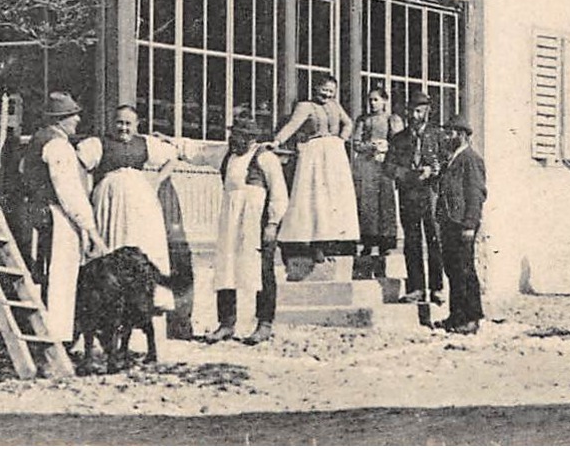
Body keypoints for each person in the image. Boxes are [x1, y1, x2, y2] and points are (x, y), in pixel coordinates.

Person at [175, 113, 290, 345]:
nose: (234, 140)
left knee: (261, 271)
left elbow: (279, 193)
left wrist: (272, 224)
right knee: (226, 268)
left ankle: (264, 323)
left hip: (256, 222)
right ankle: (226, 323)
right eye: (233, 134)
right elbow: (199, 153)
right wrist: (168, 143)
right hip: (230, 220)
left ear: (251, 138)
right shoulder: (226, 155)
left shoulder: (265, 158)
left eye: (239, 136)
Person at [14, 92, 106, 344]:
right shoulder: (57, 145)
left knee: (45, 276)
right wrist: (91, 231)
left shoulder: (38, 140)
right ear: (60, 119)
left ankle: (46, 337)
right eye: (72, 115)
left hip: (37, 213)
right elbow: (70, 193)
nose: (77, 120)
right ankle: (55, 339)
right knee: (59, 279)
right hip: (55, 217)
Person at [76, 104, 180, 312]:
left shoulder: (146, 143)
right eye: (119, 123)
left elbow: (172, 157)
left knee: (141, 244)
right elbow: (80, 164)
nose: (123, 128)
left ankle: (146, 297)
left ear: (137, 125)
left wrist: (157, 181)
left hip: (141, 202)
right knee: (114, 242)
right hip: (110, 200)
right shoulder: (99, 143)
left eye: (128, 124)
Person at [271, 75, 359, 262]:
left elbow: (349, 123)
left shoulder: (335, 106)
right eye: (324, 90)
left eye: (331, 92)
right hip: (315, 153)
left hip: (334, 154)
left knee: (332, 200)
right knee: (316, 198)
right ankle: (313, 244)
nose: (327, 95)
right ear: (316, 88)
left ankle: (329, 243)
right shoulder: (305, 106)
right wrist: (277, 141)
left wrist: (341, 139)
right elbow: (292, 126)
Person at [383, 94, 446, 305]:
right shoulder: (399, 138)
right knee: (412, 241)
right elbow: (388, 167)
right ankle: (416, 288)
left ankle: (436, 288)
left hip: (431, 194)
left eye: (419, 111)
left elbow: (447, 162)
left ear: (428, 111)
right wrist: (406, 174)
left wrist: (432, 170)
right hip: (408, 194)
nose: (414, 115)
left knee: (434, 240)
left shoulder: (437, 135)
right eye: (411, 111)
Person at [435, 115, 487, 334]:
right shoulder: (452, 159)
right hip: (449, 222)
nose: (447, 136)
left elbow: (476, 194)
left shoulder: (470, 159)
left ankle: (472, 318)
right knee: (453, 270)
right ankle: (456, 316)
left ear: (462, 135)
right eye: (447, 132)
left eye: (451, 132)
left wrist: (470, 224)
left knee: (465, 270)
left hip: (462, 224)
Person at [351, 85, 404, 263]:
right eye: (370, 100)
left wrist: (387, 148)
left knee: (385, 203)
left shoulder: (392, 120)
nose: (373, 103)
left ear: (384, 101)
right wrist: (370, 146)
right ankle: (368, 242)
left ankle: (385, 243)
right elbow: (356, 143)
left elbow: (399, 142)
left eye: (376, 100)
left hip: (385, 165)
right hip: (367, 165)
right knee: (367, 204)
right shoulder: (363, 120)